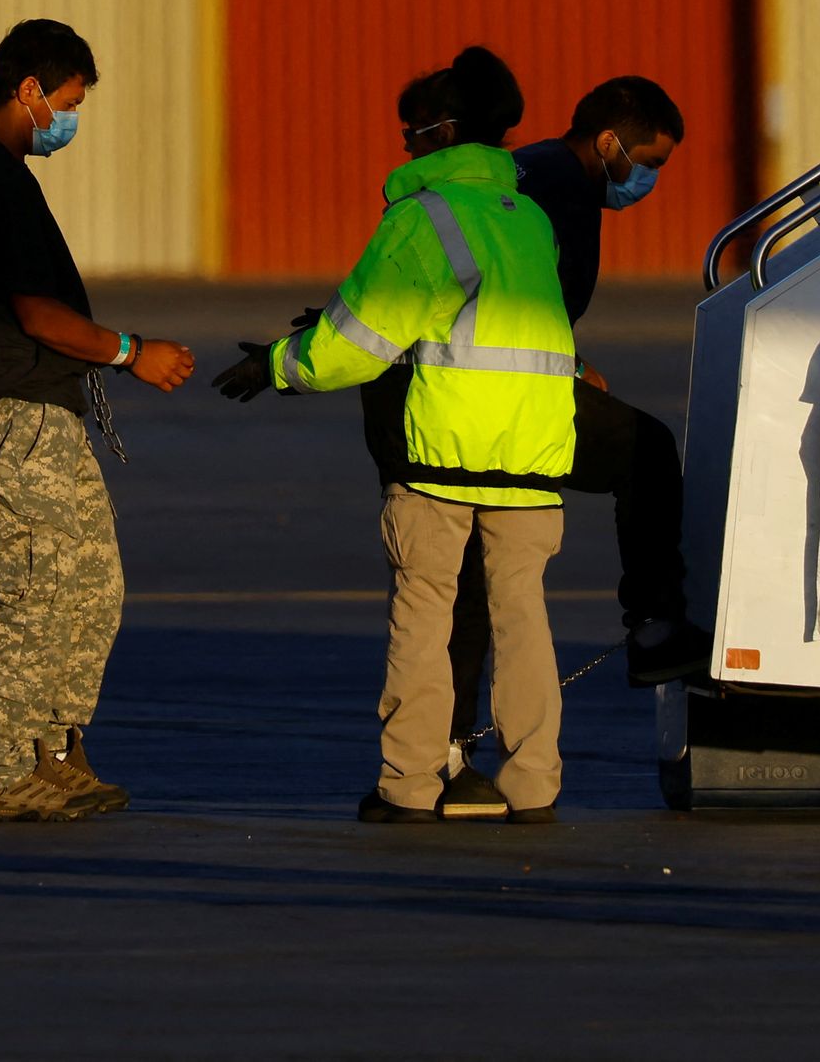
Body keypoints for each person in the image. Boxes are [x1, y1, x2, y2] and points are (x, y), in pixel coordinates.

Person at [223, 45, 582, 825]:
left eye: (410, 133)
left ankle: (411, 786)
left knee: (425, 613)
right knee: (524, 617)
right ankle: (533, 784)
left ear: (441, 133)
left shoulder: (425, 218)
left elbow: (360, 340)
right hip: (535, 453)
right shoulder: (530, 219)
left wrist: (280, 365)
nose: (404, 147)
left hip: (442, 452)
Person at [351, 71, 697, 815]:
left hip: (491, 397)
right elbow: (461, 291)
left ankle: (448, 759)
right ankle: (650, 624)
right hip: (460, 406)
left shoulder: (554, 182)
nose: (649, 179)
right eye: (649, 161)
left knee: (476, 586)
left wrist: (567, 358)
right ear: (609, 143)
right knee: (473, 584)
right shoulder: (539, 189)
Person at [0, 18, 195, 821]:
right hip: (9, 415)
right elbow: (36, 311)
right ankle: (1, 768)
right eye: (68, 103)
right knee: (34, 592)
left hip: (45, 413)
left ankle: (57, 746)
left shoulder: (4, 179)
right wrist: (129, 350)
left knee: (90, 588)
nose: (71, 122)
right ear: (28, 91)